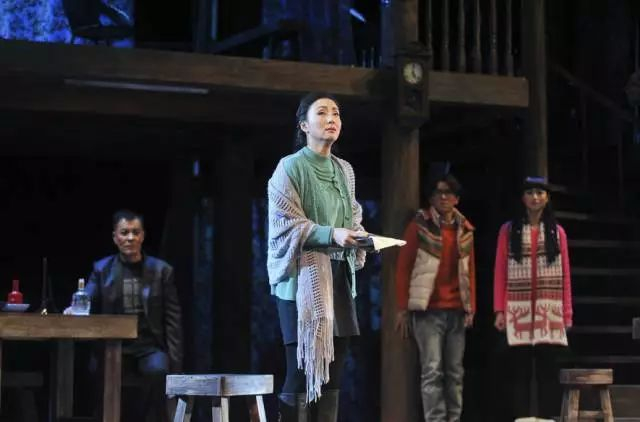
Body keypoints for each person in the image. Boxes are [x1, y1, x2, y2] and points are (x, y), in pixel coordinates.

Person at [267, 92, 368, 422]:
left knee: (333, 377)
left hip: (339, 278)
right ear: (304, 125)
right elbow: (286, 224)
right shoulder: (289, 167)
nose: (331, 119)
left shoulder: (345, 170)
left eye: (336, 113)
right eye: (322, 112)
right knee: (300, 373)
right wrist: (331, 234)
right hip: (302, 281)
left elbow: (352, 215)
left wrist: (360, 237)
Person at [85, 209, 183, 422]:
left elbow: (173, 320)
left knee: (158, 370)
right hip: (113, 347)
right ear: (115, 237)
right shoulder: (102, 269)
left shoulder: (162, 271)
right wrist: (76, 306)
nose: (130, 238)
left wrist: (176, 364)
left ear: (143, 236)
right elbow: (86, 300)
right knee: (99, 371)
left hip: (148, 346)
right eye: (124, 232)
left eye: (135, 232)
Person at [394, 173, 476, 422]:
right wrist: (402, 307)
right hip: (427, 310)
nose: (443, 197)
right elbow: (404, 267)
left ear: (456, 198)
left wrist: (471, 306)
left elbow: (470, 271)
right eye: (438, 193)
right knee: (432, 371)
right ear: (431, 198)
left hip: (456, 309)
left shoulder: (465, 229)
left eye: (448, 193)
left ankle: (454, 418)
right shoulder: (419, 225)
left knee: (455, 372)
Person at [493, 177, 572, 420]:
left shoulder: (557, 232)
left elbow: (566, 275)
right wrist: (499, 309)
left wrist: (567, 313)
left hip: (549, 309)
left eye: (540, 193)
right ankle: (522, 418)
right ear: (522, 198)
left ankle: (547, 418)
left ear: (547, 198)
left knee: (548, 372)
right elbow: (500, 271)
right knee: (520, 372)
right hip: (519, 308)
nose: (535, 197)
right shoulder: (509, 231)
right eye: (530, 192)